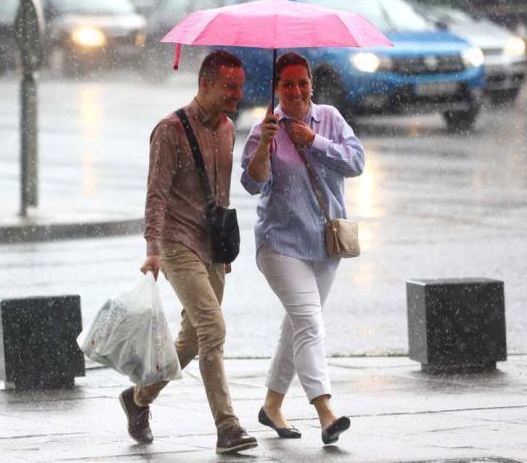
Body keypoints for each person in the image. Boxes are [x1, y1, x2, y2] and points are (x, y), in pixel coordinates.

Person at [120, 50, 258, 455]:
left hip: (212, 246)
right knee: (214, 328)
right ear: (205, 83)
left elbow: (221, 192)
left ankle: (138, 399)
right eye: (229, 87)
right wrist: (153, 249)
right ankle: (227, 425)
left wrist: (225, 246)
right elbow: (156, 194)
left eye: (240, 87)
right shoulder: (169, 129)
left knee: (193, 341)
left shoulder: (229, 128)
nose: (237, 94)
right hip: (177, 243)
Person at [241, 52, 364, 445]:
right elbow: (252, 183)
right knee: (310, 323)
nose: (296, 91)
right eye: (288, 84)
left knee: (297, 326)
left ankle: (272, 405)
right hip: (280, 244)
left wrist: (315, 141)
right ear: (277, 87)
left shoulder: (329, 118)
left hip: (325, 244)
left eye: (303, 83)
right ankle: (326, 412)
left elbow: (356, 161)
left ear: (312, 84)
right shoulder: (265, 129)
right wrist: (266, 145)